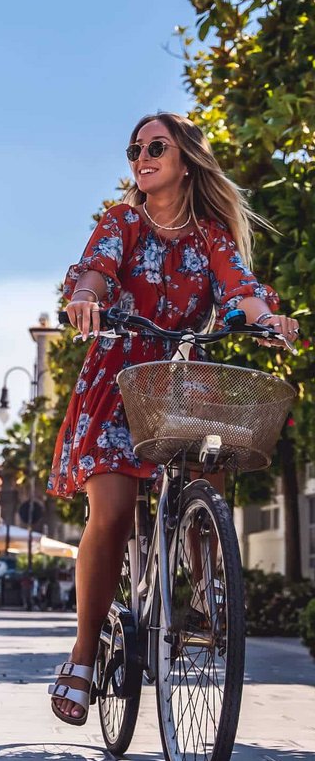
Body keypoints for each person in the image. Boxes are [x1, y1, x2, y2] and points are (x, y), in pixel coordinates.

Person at [45, 112, 299, 727]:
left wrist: (266, 318)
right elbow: (97, 268)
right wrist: (86, 296)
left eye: (156, 146)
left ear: (186, 160)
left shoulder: (211, 235)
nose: (142, 156)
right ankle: (84, 655)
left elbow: (241, 288)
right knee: (111, 511)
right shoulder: (123, 221)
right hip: (117, 380)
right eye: (135, 148)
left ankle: (210, 588)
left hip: (182, 379)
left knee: (208, 471)